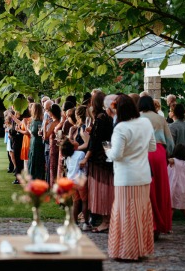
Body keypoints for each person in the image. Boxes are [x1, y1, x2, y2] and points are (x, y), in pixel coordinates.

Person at [106, 94, 156, 261]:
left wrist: (107, 151)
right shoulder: (145, 123)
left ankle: (127, 251)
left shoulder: (121, 128)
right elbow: (152, 147)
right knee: (141, 213)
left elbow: (117, 154)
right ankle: (141, 248)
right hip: (143, 175)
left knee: (125, 213)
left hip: (126, 177)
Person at [139, 96, 174, 238]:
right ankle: (159, 226)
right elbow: (170, 142)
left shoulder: (137, 117)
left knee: (146, 190)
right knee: (160, 189)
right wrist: (167, 154)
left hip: (143, 153)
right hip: (159, 153)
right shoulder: (160, 118)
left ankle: (147, 224)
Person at [79, 91, 114, 233]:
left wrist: (86, 157)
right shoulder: (106, 117)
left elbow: (95, 142)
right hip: (106, 156)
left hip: (100, 160)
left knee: (102, 190)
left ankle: (106, 221)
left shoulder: (100, 118)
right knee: (107, 189)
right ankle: (108, 219)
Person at [168, 144, 185, 233]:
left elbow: (167, 160)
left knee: (172, 207)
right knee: (183, 207)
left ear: (175, 152)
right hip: (184, 189)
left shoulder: (174, 161)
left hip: (174, 188)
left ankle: (168, 227)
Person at [61, 139, 87, 228]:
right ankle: (85, 222)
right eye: (72, 141)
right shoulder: (81, 154)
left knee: (75, 201)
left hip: (71, 180)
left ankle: (74, 221)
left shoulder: (68, 156)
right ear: (72, 147)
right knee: (84, 201)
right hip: (80, 179)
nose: (75, 140)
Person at [27, 103, 45, 179]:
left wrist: (28, 128)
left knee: (35, 160)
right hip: (37, 142)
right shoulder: (41, 120)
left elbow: (34, 132)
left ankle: (34, 178)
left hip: (36, 143)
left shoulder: (35, 121)